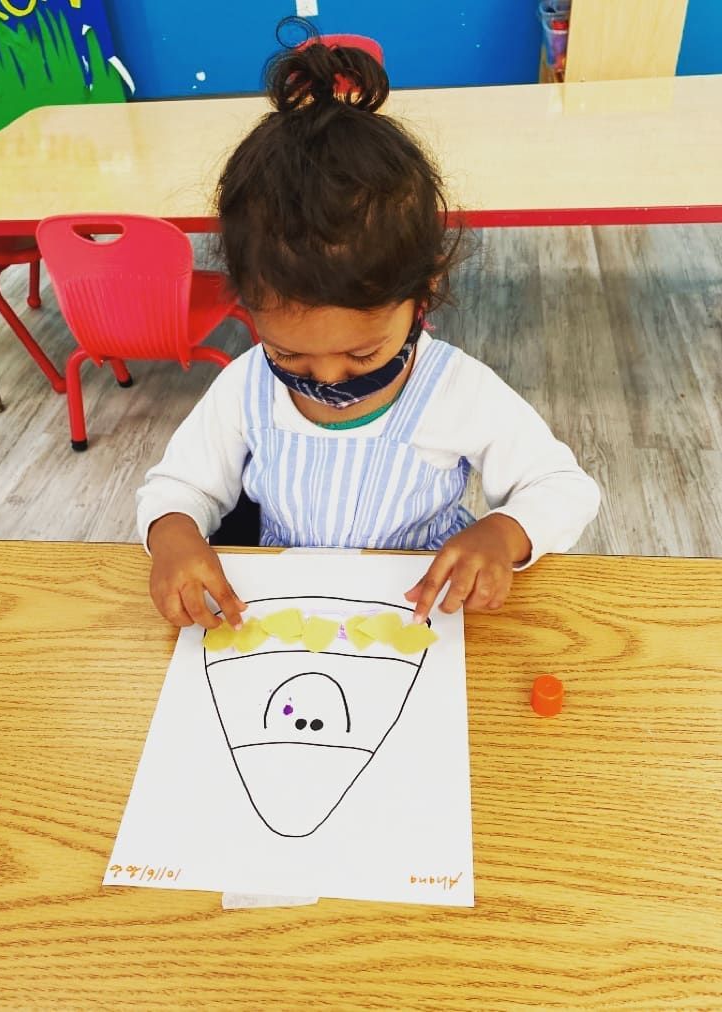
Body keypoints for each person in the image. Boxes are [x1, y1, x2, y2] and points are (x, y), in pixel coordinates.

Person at [137, 41, 600, 630]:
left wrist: (503, 533)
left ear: (421, 295)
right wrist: (173, 532)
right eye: (289, 354)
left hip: (420, 615)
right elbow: (179, 484)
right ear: (250, 308)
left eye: (362, 354)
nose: (328, 378)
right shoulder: (245, 386)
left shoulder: (453, 388)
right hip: (286, 615)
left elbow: (562, 486)